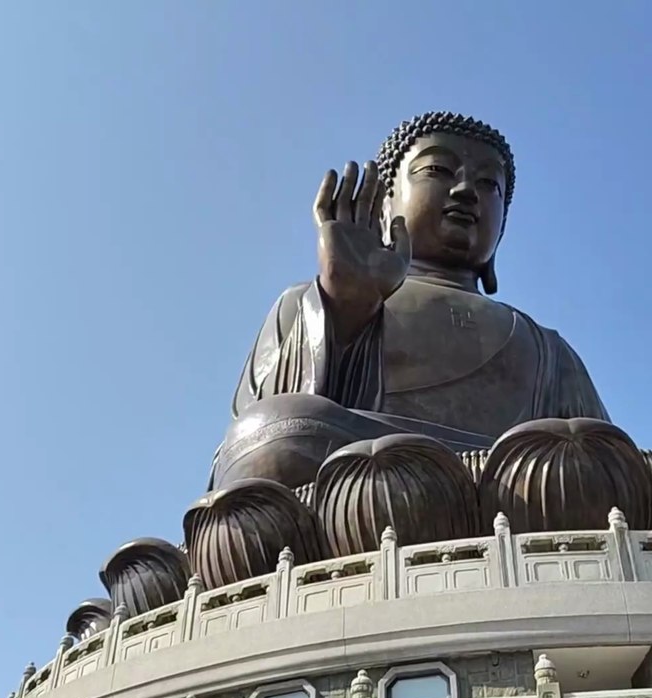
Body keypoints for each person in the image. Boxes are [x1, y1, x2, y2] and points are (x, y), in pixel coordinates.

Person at [211, 112, 608, 491]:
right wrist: (345, 305)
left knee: (586, 467)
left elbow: (606, 459)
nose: (467, 191)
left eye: (489, 185)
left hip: (522, 487)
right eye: (437, 170)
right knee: (272, 434)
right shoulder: (307, 302)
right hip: (365, 479)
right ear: (384, 206)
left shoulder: (548, 349)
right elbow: (242, 455)